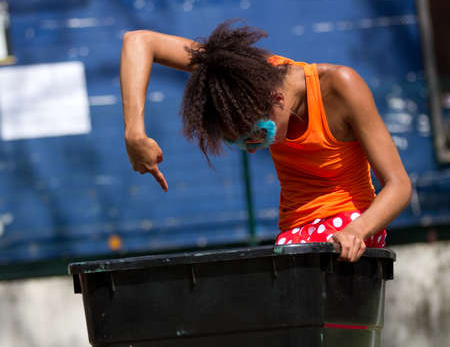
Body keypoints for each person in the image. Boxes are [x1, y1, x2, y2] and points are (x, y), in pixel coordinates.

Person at [120, 20, 412, 262]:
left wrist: (356, 231)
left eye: (259, 136)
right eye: (242, 144)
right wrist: (134, 133)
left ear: (277, 99)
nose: (254, 148)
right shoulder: (240, 76)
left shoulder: (340, 87)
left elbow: (399, 185)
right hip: (295, 233)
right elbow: (139, 41)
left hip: (352, 224)